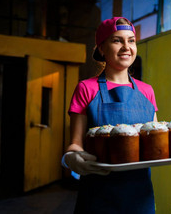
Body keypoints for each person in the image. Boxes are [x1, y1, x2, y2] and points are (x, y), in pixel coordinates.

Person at [61, 17, 158, 214]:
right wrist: (71, 158)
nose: (126, 47)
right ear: (102, 48)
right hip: (99, 194)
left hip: (140, 194)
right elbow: (75, 144)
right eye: (117, 40)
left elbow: (156, 141)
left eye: (131, 40)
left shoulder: (147, 91)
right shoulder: (86, 88)